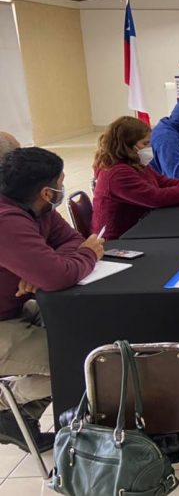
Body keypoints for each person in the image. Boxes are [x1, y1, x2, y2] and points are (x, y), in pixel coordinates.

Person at [0, 147, 105, 452]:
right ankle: (7, 403)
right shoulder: (7, 221)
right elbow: (64, 271)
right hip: (4, 322)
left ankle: (15, 420)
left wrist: (44, 264)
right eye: (60, 182)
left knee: (85, 337)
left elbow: (70, 240)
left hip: (15, 309)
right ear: (47, 191)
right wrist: (87, 254)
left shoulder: (38, 208)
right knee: (81, 362)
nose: (62, 187)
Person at [92, 116, 179, 240]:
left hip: (136, 227)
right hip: (118, 239)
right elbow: (156, 198)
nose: (149, 148)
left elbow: (161, 181)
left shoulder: (133, 163)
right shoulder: (117, 174)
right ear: (128, 145)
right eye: (145, 143)